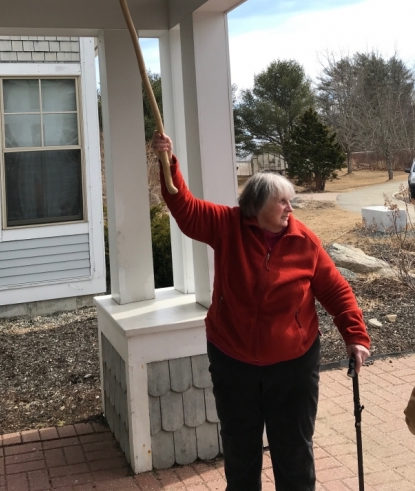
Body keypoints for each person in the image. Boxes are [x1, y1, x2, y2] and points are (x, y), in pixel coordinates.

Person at [152, 132, 371, 491]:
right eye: (282, 201)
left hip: (293, 365)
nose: (290, 208)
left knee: (294, 452)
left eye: (291, 201)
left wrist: (355, 336)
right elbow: (185, 208)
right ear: (256, 205)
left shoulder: (305, 241)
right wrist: (168, 163)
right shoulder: (227, 225)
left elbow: (335, 290)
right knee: (240, 451)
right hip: (233, 360)